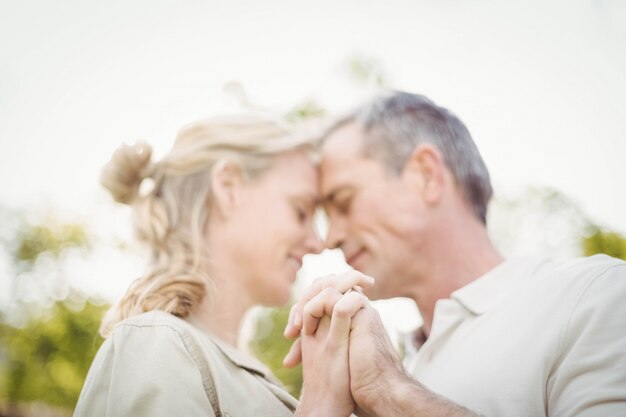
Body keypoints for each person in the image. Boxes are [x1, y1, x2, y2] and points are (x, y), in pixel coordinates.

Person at [284, 91, 626, 416]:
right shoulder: (379, 365)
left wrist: (390, 393)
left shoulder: (595, 297)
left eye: (344, 202)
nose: (330, 238)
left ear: (426, 175)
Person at [74, 114, 372, 416]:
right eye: (300, 211)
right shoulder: (157, 343)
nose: (317, 242)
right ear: (229, 187)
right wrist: (322, 406)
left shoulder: (224, 370)